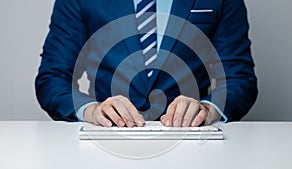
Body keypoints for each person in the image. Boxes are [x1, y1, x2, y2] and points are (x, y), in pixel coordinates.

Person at [35, 0, 258, 127]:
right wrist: (91, 111)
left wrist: (208, 110)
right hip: (108, 136)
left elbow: (240, 79)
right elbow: (52, 78)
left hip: (190, 139)